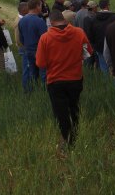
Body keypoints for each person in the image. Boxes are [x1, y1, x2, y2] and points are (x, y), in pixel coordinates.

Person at [36, 10, 93, 148]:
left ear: (50, 22)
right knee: (74, 107)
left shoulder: (45, 38)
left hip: (55, 81)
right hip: (75, 78)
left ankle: (68, 140)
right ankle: (76, 132)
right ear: (64, 19)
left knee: (61, 112)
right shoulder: (79, 32)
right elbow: (89, 52)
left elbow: (41, 63)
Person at [19, 0, 47, 91]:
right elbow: (45, 39)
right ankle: (44, 92)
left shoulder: (22, 20)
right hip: (39, 51)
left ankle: (30, 92)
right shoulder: (40, 21)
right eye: (41, 6)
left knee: (32, 73)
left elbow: (21, 39)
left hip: (27, 50)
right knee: (43, 73)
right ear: (37, 6)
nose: (41, 8)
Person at [86, 0, 115, 73]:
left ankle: (106, 83)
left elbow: (90, 35)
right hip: (113, 46)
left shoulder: (93, 19)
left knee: (104, 68)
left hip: (99, 46)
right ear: (108, 6)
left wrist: (95, 45)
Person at [14, 2, 29, 91]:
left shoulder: (22, 18)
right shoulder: (20, 21)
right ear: (23, 10)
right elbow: (17, 39)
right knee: (26, 68)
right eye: (28, 8)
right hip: (24, 48)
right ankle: (26, 88)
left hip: (25, 47)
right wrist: (24, 47)